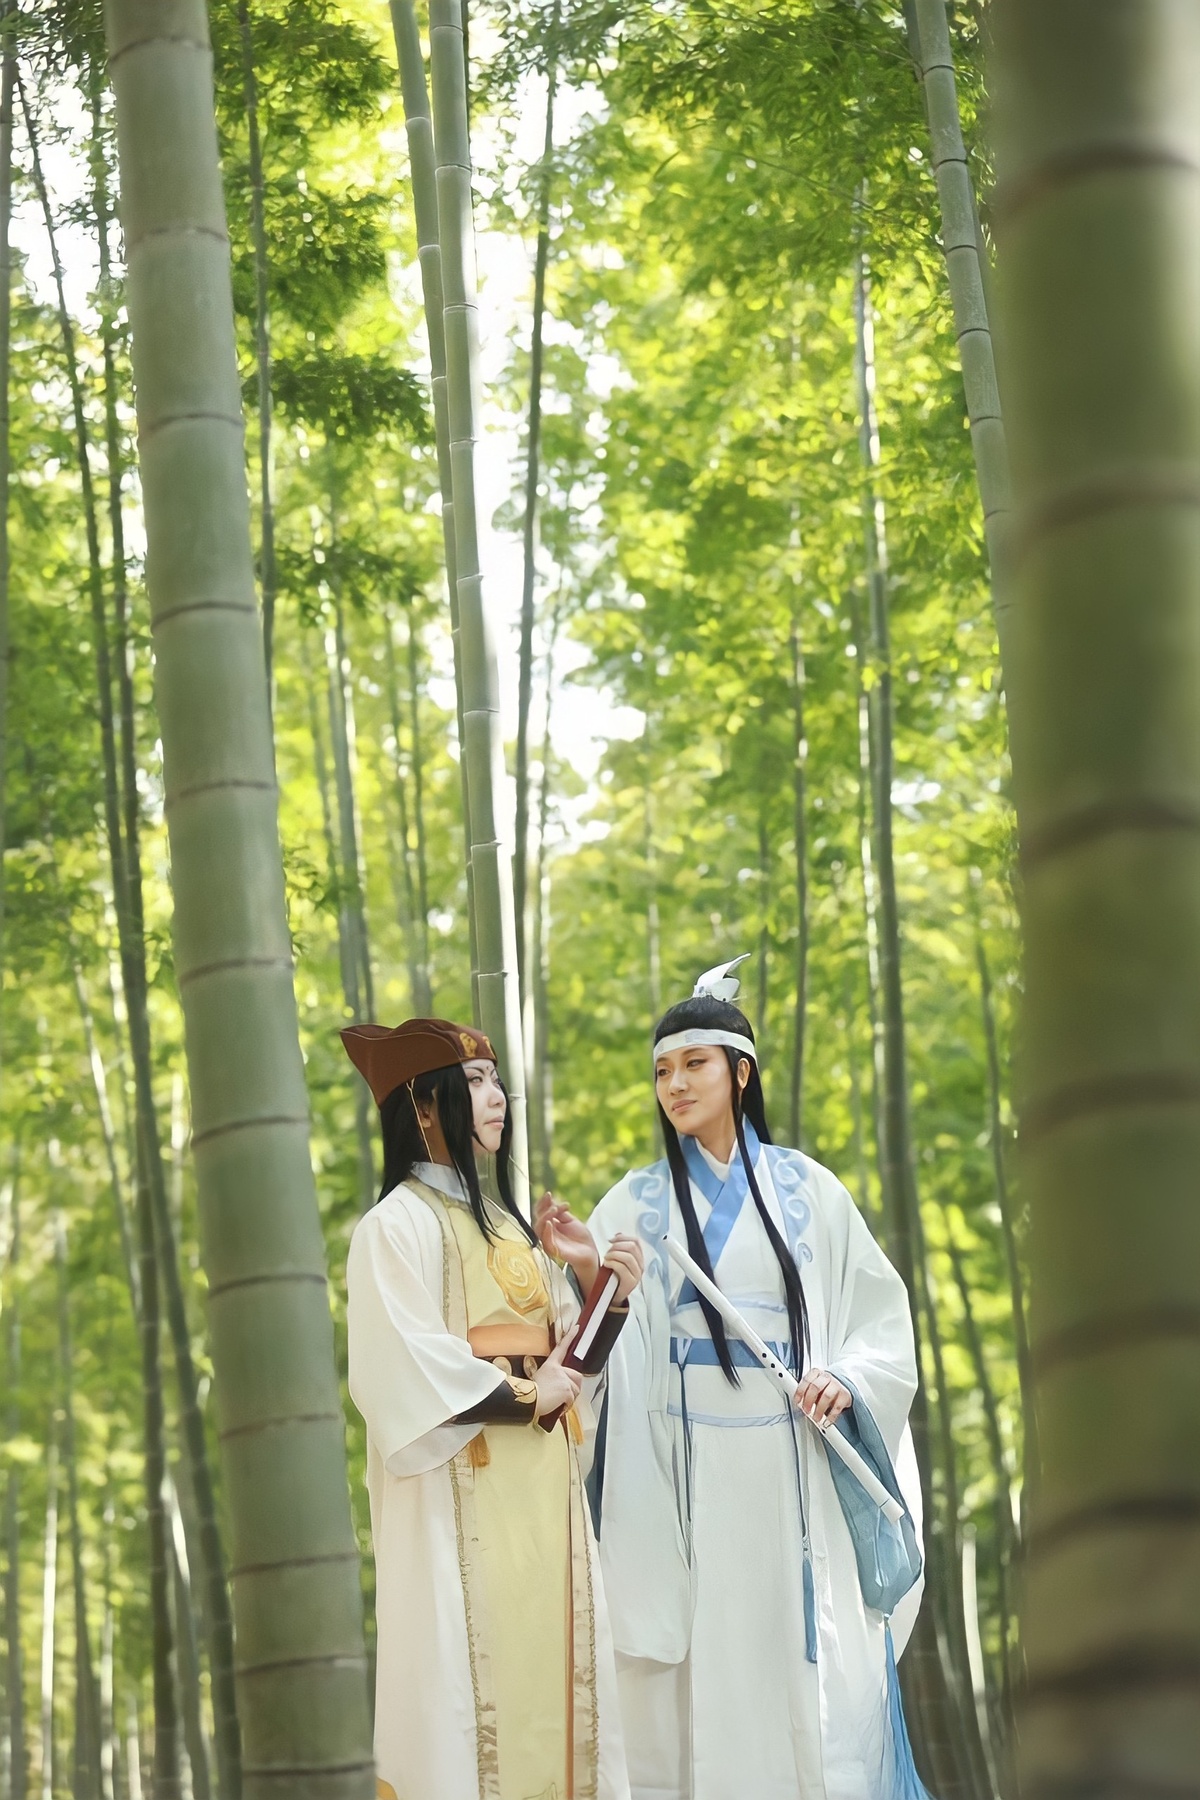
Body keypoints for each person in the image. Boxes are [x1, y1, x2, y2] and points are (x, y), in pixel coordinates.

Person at [534, 966, 929, 1800]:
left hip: (793, 1473)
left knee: (803, 1675)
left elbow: (879, 1323)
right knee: (699, 1683)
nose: (674, 1086)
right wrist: (585, 1274)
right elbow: (592, 1349)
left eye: (694, 1066)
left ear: (741, 1074)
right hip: (685, 1479)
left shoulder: (809, 1192)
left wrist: (844, 1379)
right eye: (662, 1072)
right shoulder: (635, 1204)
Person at [343, 1017, 643, 1800]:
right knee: (462, 1701)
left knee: (560, 1684)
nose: (496, 1096)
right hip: (456, 1490)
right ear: (423, 1105)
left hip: (543, 1496)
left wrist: (597, 1285)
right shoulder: (393, 1228)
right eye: (474, 1082)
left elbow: (567, 1371)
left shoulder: (510, 1227)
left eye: (496, 1079)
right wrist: (520, 1391)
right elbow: (399, 1366)